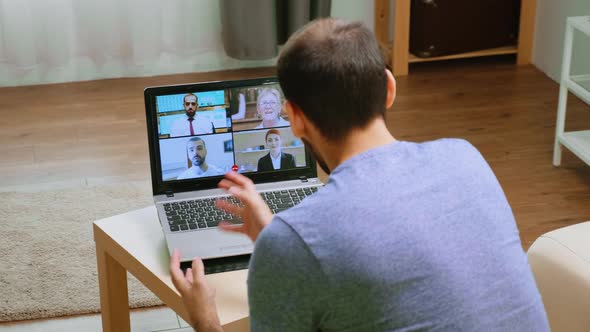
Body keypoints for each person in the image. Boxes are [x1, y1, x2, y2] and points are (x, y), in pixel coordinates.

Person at [169, 18, 549, 332]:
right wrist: (280, 239)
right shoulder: (466, 158)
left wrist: (205, 320)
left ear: (295, 118)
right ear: (389, 88)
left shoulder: (290, 242)